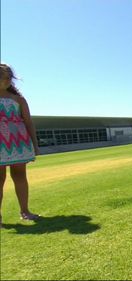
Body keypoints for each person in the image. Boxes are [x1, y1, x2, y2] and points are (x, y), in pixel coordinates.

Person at [0, 63, 40, 229]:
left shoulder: (19, 99)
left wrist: (35, 145)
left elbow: (29, 122)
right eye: (3, 76)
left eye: (9, 76)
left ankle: (25, 211)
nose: (7, 79)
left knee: (20, 177)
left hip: (18, 143)